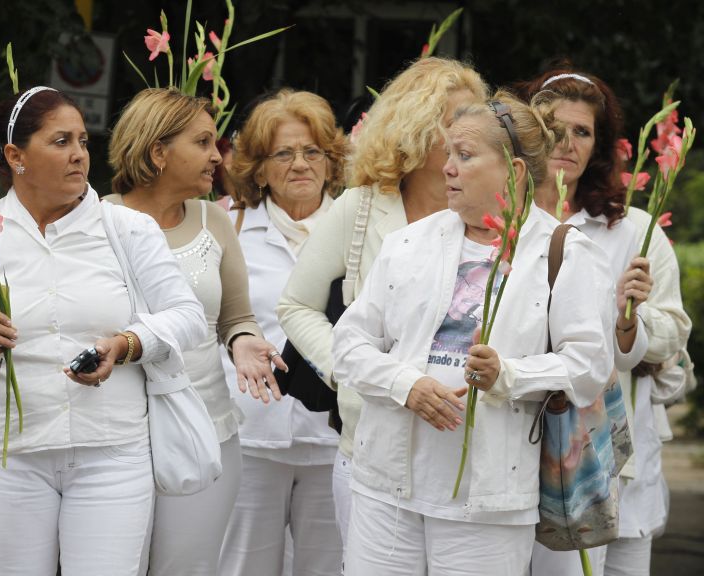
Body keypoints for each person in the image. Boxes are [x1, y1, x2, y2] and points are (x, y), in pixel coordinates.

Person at [0, 87, 207, 576]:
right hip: (11, 458)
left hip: (113, 452)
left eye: (84, 142)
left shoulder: (127, 229)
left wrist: (125, 344)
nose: (79, 155)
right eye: (61, 141)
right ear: (15, 156)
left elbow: (187, 316)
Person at [331, 91, 627, 576]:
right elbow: (348, 344)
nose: (447, 167)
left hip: (488, 501)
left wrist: (508, 374)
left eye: (464, 156)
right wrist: (405, 386)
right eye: (449, 153)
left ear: (512, 171)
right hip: (387, 486)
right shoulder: (409, 243)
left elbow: (590, 365)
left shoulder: (565, 252)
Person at [276, 57, 488, 553]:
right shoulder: (363, 206)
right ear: (418, 125)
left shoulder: (492, 213)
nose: (471, 131)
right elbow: (297, 305)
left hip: (469, 449)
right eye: (457, 119)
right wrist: (345, 370)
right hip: (371, 439)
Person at [517, 69, 689, 576]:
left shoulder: (633, 229)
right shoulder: (504, 222)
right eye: (553, 128)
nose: (566, 143)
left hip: (620, 454)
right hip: (535, 459)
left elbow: (674, 330)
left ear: (599, 146)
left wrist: (628, 322)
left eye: (583, 131)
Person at [106, 87, 284, 576]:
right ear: (157, 151)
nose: (217, 155)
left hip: (205, 429)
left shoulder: (214, 221)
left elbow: (235, 317)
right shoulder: (98, 221)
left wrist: (244, 343)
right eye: (203, 142)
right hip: (116, 437)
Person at [217, 88, 348, 576]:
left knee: (328, 567)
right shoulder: (227, 223)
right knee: (242, 566)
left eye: (312, 151)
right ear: (258, 165)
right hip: (249, 433)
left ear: (331, 161)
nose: (300, 164)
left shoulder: (358, 228)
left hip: (333, 436)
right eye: (283, 153)